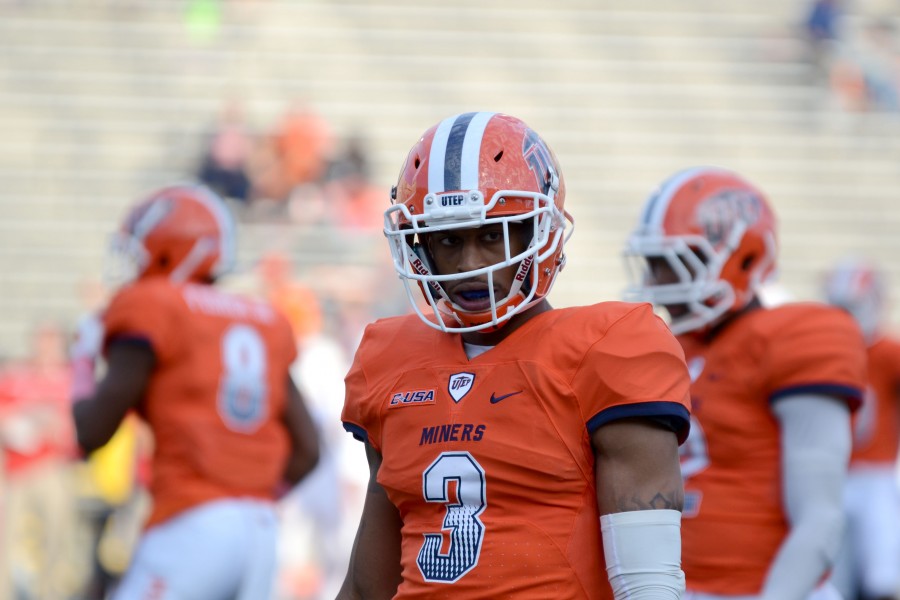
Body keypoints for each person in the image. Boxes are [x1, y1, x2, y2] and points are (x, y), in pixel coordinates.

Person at [337, 112, 692, 600]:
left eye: (492, 235)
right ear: (420, 246)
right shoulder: (389, 358)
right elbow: (365, 586)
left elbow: (649, 583)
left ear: (539, 233)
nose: (471, 265)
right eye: (447, 240)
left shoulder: (604, 347)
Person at [622, 166, 868, 600]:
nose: (658, 285)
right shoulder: (670, 346)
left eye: (675, 264)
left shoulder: (797, 334)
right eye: (655, 264)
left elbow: (821, 519)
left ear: (745, 257)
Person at [71, 182, 320, 600]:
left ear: (167, 248)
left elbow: (90, 433)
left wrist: (81, 361)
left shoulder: (154, 306)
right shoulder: (264, 318)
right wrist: (246, 495)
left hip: (193, 522)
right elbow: (309, 451)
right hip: (261, 530)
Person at [823, 257, 900, 600]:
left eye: (852, 306)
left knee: (883, 574)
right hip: (831, 472)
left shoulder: (887, 352)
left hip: (877, 475)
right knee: (832, 574)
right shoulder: (819, 354)